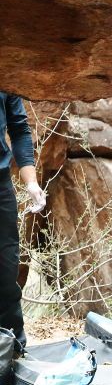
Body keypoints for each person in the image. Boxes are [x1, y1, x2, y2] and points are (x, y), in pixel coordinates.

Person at [0, 92, 46, 350]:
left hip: (0, 185)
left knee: (6, 273)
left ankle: (13, 350)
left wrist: (31, 183)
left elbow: (19, 128)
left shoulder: (6, 69)